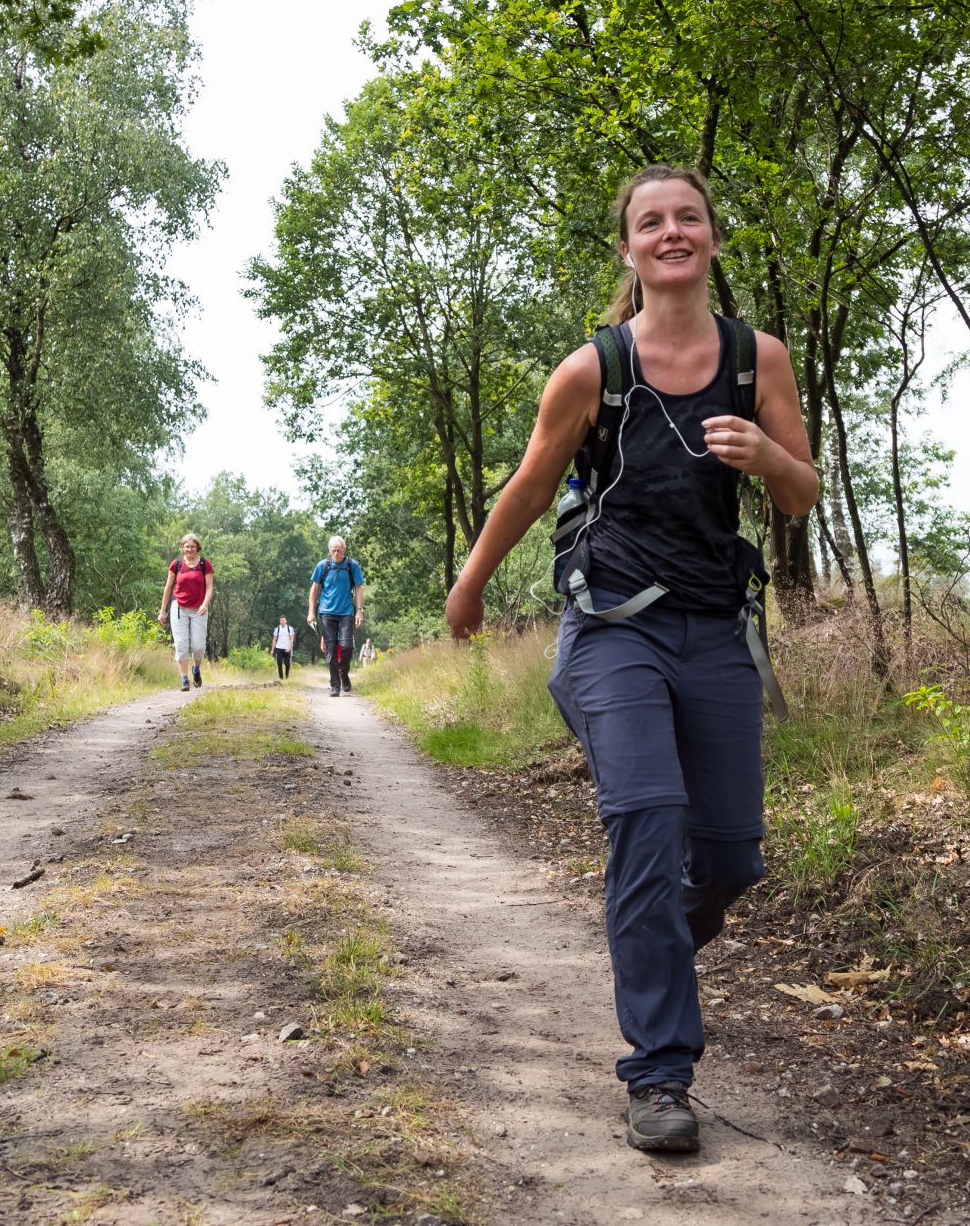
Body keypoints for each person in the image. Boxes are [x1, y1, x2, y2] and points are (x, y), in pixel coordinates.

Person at [444, 164, 818, 1154]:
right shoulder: (592, 369)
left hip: (714, 629)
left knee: (731, 855)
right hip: (611, 627)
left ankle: (644, 939)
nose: (669, 233)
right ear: (628, 249)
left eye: (686, 218)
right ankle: (657, 1076)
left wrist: (766, 457)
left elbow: (798, 496)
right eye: (649, 222)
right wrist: (471, 583)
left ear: (710, 237)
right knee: (647, 821)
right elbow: (528, 489)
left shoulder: (756, 360)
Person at [307, 536, 365, 697]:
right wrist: (311, 611)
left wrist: (359, 610)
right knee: (330, 649)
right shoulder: (322, 566)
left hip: (347, 612)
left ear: (344, 550)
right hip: (326, 612)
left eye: (339, 550)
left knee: (347, 646)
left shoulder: (352, 566)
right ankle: (335, 685)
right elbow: (314, 588)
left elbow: (359, 588)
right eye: (334, 550)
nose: (337, 553)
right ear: (330, 551)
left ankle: (343, 673)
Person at [157, 533, 214, 691]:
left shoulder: (204, 564)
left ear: (197, 548)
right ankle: (184, 679)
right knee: (181, 645)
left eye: (193, 546)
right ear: (182, 548)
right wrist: (162, 611)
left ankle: (196, 669)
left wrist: (205, 603)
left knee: (198, 647)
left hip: (199, 610)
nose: (190, 549)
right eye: (187, 546)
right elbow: (168, 588)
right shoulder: (176, 564)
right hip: (179, 609)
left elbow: (209, 587)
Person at [271, 615, 297, 680]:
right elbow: (274, 639)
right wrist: (272, 649)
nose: (282, 622)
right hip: (279, 648)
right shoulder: (277, 629)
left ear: (286, 621)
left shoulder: (290, 628)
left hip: (287, 648)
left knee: (287, 663)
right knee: (279, 663)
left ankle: (287, 675)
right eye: (281, 620)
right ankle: (281, 678)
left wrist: (289, 647)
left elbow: (292, 639)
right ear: (279, 621)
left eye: (283, 620)